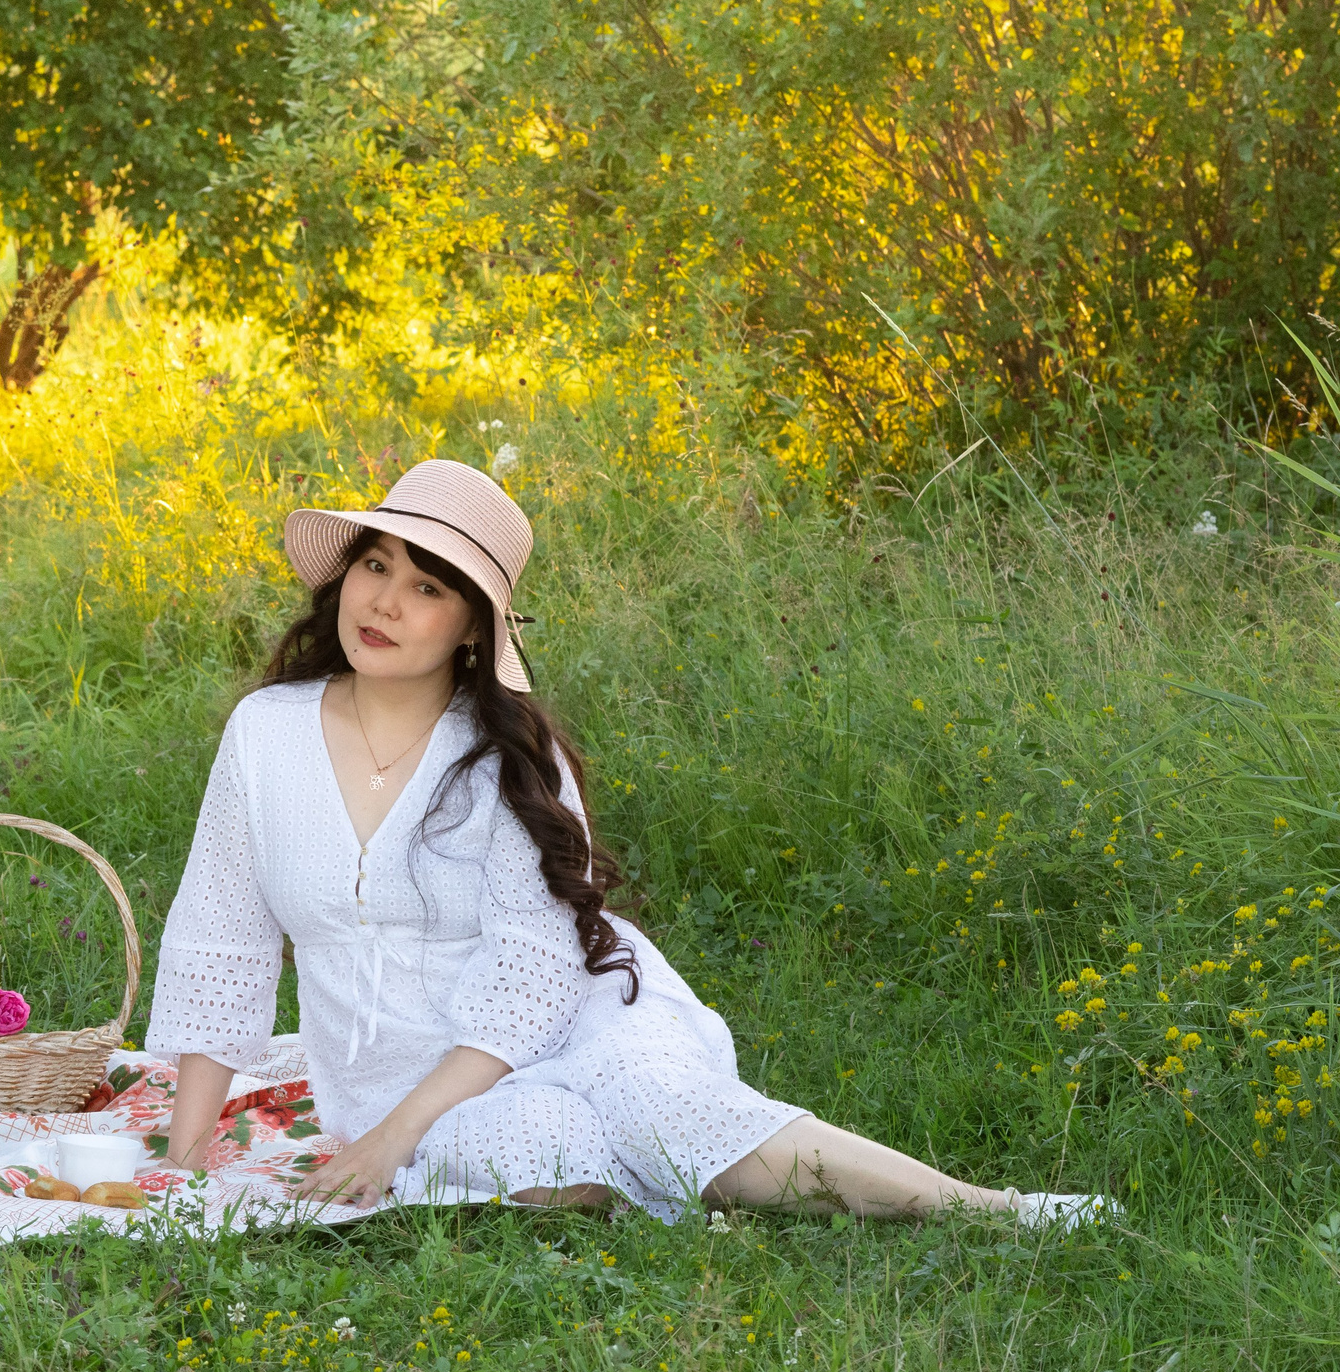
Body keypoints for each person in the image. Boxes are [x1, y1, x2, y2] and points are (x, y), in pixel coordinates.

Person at [148, 459, 1108, 1227]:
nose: (385, 603)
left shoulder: (505, 758)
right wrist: (186, 1168)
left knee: (661, 1114)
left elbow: (533, 972)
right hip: (397, 1079)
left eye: (427, 586)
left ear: (473, 629)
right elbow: (219, 939)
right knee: (541, 1164)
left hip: (566, 1014)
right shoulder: (266, 733)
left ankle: (994, 1210)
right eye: (375, 565)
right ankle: (640, 1186)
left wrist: (396, 1138)